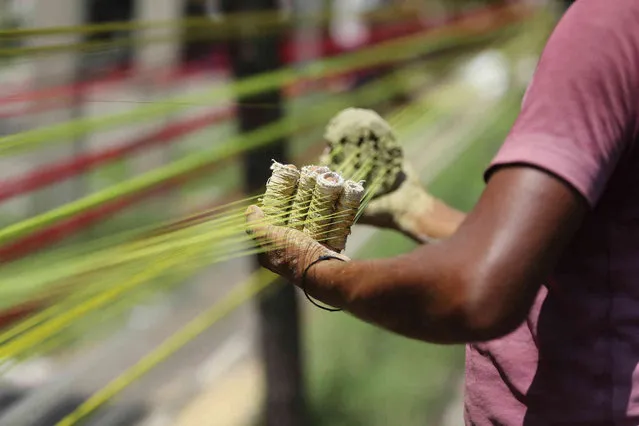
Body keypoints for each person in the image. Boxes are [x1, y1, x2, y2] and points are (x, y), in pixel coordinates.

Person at [246, 0, 639, 424]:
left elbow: (474, 292)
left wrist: (312, 267)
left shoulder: (609, 22)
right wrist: (418, 212)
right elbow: (573, 254)